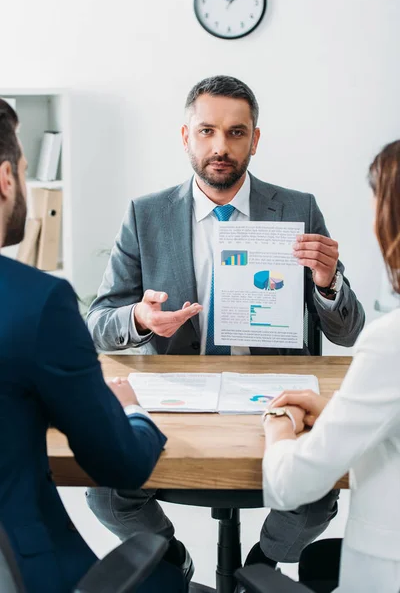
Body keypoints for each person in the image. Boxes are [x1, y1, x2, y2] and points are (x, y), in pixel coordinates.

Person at [85, 76, 365, 576]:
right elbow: (100, 322)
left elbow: (347, 332)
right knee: (104, 489)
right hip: (176, 398)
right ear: (186, 136)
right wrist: (141, 319)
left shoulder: (298, 208)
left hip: (277, 399)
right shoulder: (144, 215)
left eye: (236, 133)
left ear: (255, 140)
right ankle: (171, 559)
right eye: (207, 130)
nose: (220, 146)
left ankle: (261, 568)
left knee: (316, 493)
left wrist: (326, 282)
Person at [0, 100, 186, 593]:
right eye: (22, 169)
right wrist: (130, 410)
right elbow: (120, 463)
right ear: (5, 179)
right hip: (33, 576)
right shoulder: (35, 303)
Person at [262, 140, 400, 592]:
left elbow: (290, 484)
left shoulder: (390, 341)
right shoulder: (148, 214)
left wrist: (280, 423)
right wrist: (339, 410)